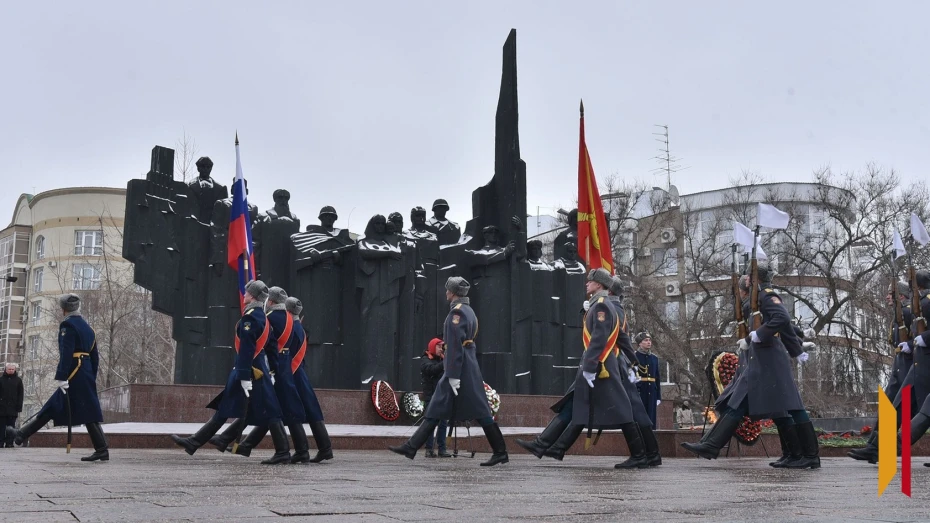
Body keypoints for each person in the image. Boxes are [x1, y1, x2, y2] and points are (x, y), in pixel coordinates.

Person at [681, 268, 821, 469]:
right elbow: (778, 323)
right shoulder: (757, 300)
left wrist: (755, 337)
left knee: (788, 407)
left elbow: (780, 320)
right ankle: (795, 454)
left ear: (753, 279)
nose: (745, 280)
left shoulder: (766, 296)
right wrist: (799, 338)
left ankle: (809, 455)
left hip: (768, 362)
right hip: (761, 361)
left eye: (747, 277)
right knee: (776, 409)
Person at [389, 276, 509, 466]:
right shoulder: (469, 311)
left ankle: (500, 451)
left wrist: (453, 375)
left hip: (460, 368)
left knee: (476, 410)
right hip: (468, 365)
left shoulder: (457, 313)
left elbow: (454, 346)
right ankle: (411, 446)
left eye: (448, 289)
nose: (446, 292)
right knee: (441, 406)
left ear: (453, 292)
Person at [170, 280, 290, 464]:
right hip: (259, 371)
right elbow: (271, 347)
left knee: (266, 410)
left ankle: (282, 452)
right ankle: (195, 442)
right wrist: (273, 370)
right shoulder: (263, 318)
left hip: (250, 371)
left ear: (253, 296)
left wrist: (244, 376)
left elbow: (247, 349)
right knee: (247, 408)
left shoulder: (251, 318)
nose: (244, 294)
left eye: (247, 292)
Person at [7, 294, 108, 461]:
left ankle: (21, 434)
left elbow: (66, 353)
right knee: (65, 406)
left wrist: (62, 376)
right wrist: (91, 376)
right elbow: (95, 357)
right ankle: (21, 434)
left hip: (74, 372)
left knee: (69, 407)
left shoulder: (68, 325)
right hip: (85, 372)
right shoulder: (89, 328)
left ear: (63, 309)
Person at [222, 287, 307, 464]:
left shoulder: (271, 318)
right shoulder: (289, 320)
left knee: (275, 410)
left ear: (271, 301)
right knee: (277, 410)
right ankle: (246, 445)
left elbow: (267, 342)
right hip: (283, 368)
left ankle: (292, 451)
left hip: (274, 367)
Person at [848, 281, 913, 462]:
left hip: (909, 366)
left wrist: (910, 345)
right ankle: (873, 448)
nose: (886, 297)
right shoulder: (900, 314)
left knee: (899, 411)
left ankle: (879, 448)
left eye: (890, 294)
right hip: (900, 365)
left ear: (901, 296)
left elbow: (918, 336)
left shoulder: (908, 313)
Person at [285, 297, 333, 462]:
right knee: (312, 411)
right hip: (299, 373)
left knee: (293, 411)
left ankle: (302, 450)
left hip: (294, 373)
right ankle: (325, 448)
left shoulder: (293, 328)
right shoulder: (299, 328)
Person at [421, 338, 450, 457]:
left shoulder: (442, 360)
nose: (441, 349)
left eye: (442, 347)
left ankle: (442, 449)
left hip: (442, 396)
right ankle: (429, 449)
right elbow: (431, 370)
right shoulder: (426, 359)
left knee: (443, 423)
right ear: (432, 347)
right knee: (430, 423)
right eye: (438, 347)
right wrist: (445, 362)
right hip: (431, 396)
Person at [633, 332, 662, 428]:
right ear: (639, 343)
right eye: (645, 340)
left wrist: (658, 396)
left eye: (649, 340)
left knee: (651, 418)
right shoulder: (634, 356)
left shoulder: (654, 358)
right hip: (640, 391)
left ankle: (652, 434)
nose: (649, 342)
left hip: (652, 391)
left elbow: (657, 378)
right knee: (640, 418)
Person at [1, 363, 24, 447]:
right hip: (1, 408)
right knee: (1, 427)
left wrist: (19, 407)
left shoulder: (18, 380)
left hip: (13, 408)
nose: (11, 371)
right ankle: (0, 442)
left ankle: (9, 443)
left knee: (11, 427)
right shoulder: (1, 380)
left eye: (12, 369)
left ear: (15, 370)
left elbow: (20, 395)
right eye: (9, 369)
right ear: (6, 370)